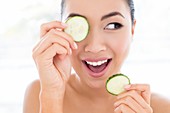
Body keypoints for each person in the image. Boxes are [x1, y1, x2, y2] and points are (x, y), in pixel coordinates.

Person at [23, 0, 170, 113]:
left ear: (132, 30)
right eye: (77, 25)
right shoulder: (40, 93)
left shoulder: (161, 108)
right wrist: (52, 95)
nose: (94, 47)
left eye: (113, 25)